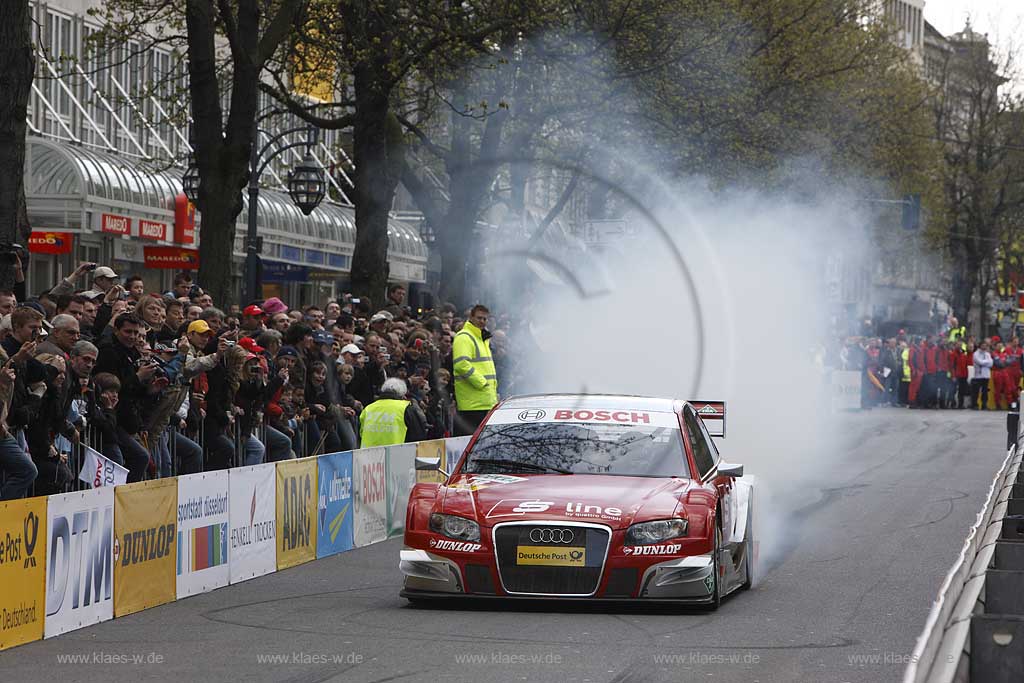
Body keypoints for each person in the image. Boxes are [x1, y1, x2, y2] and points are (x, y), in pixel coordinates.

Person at [452, 304, 498, 435]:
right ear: (471, 317)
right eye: (479, 318)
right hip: (472, 404)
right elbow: (461, 365)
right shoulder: (464, 337)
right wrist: (482, 383)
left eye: (485, 319)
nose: (482, 321)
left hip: (484, 401)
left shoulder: (482, 339)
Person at [358, 377, 426, 446]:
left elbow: (361, 433)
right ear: (402, 395)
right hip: (396, 454)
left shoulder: (368, 408)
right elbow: (418, 436)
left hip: (366, 455)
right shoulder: (406, 408)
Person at [972, 341, 994, 410]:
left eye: (985, 345)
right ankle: (975, 404)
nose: (984, 347)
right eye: (983, 345)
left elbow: (991, 363)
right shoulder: (976, 354)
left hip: (986, 375)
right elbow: (979, 362)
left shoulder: (987, 354)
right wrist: (986, 362)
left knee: (985, 391)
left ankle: (984, 404)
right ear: (980, 346)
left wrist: (985, 362)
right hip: (978, 375)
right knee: (976, 391)